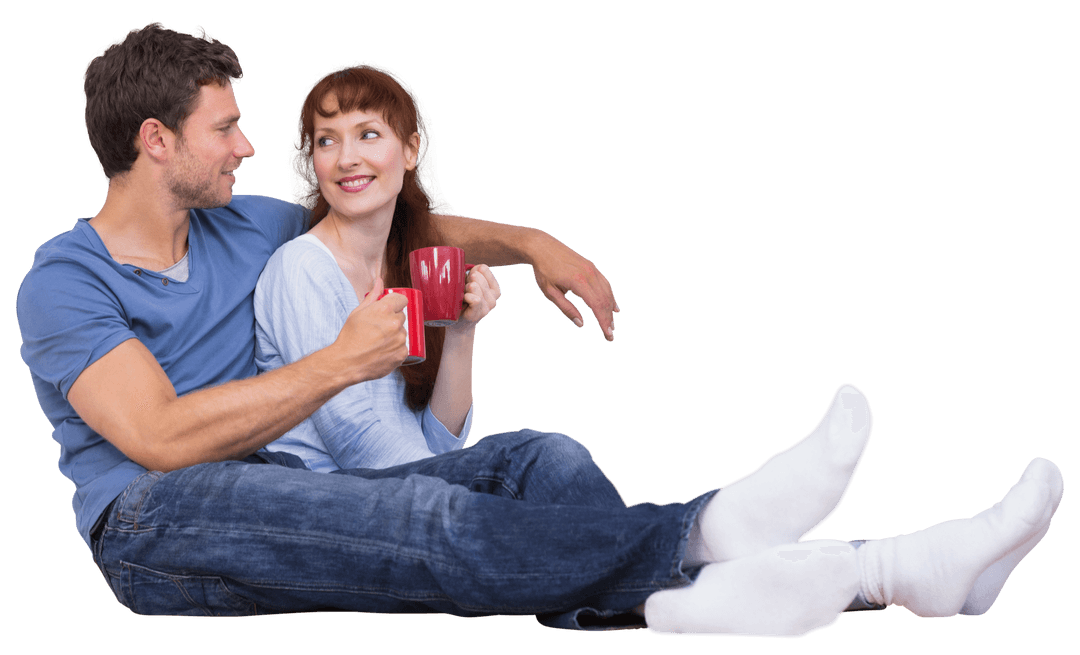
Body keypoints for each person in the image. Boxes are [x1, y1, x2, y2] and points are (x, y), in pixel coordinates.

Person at [15, 22, 1063, 636]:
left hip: (302, 486)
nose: (248, 145)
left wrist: (532, 242)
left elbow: (386, 218)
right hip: (158, 527)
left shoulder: (239, 223)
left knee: (542, 459)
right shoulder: (66, 281)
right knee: (428, 524)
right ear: (156, 141)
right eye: (223, 126)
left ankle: (723, 593)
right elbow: (153, 435)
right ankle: (772, 544)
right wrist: (340, 363)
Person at [254, 62, 503, 471]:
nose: (346, 159)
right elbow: (356, 444)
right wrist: (471, 498)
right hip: (334, 506)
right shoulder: (302, 268)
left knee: (547, 455)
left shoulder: (403, 267)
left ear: (410, 150)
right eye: (327, 140)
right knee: (533, 460)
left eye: (368, 134)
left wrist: (461, 331)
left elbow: (438, 447)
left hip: (405, 493)